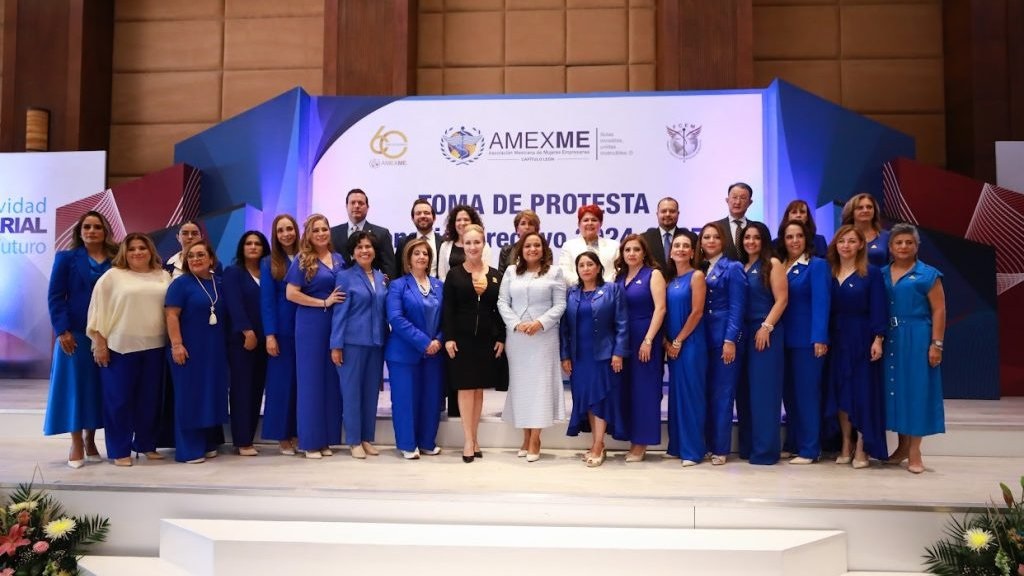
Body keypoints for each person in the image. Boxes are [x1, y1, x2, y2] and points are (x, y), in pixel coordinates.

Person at [87, 233, 171, 466]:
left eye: (142, 248)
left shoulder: (163, 276)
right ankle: (119, 450)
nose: (137, 252)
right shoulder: (112, 277)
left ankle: (146, 444)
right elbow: (97, 311)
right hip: (120, 348)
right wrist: (100, 344)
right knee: (119, 402)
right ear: (125, 252)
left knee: (150, 401)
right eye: (132, 248)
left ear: (150, 250)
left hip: (155, 347)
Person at [45, 211, 118, 468]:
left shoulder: (117, 258)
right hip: (75, 333)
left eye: (97, 227)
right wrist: (62, 330)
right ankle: (76, 442)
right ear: (80, 231)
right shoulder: (66, 259)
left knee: (96, 388)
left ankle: (90, 439)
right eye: (87, 227)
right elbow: (55, 296)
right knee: (75, 388)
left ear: (105, 231)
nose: (91, 231)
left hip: (107, 333)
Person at [497, 232, 567, 462]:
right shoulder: (511, 272)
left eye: (537, 245)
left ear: (544, 249)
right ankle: (525, 436)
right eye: (528, 245)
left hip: (543, 337)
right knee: (522, 387)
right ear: (521, 249)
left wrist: (540, 323)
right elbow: (502, 302)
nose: (532, 249)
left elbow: (560, 305)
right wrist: (516, 324)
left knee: (540, 387)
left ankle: (536, 438)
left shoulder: (555, 272)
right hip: (518, 338)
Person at [882, 223, 945, 474]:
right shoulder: (881, 273)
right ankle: (901, 446)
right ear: (890, 247)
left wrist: (936, 344)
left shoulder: (928, 274)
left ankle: (915, 451)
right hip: (890, 337)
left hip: (918, 336)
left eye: (909, 242)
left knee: (917, 390)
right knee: (897, 390)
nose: (903, 246)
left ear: (917, 246)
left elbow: (939, 310)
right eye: (898, 242)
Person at [825, 225, 888, 469]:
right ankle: (845, 443)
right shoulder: (829, 272)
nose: (846, 245)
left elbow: (879, 307)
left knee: (862, 391)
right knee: (840, 391)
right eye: (842, 241)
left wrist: (878, 339)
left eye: (852, 241)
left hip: (862, 338)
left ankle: (863, 445)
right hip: (835, 338)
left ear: (861, 245)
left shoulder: (871, 273)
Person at [442, 224, 505, 463]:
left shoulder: (496, 275)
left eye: (477, 242)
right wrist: (449, 337)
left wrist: (501, 337)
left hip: (486, 340)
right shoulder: (454, 274)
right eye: (468, 243)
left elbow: (500, 310)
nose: (472, 247)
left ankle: (475, 437)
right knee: (466, 388)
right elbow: (448, 309)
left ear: (484, 244)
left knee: (478, 390)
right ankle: (468, 441)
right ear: (463, 245)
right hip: (461, 340)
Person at [560, 251, 628, 467]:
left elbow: (622, 323)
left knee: (600, 399)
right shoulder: (572, 293)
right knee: (588, 399)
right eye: (581, 265)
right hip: (579, 357)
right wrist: (565, 355)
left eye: (590, 264)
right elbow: (564, 329)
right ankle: (596, 443)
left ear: (598, 267)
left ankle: (598, 445)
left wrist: (618, 352)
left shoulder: (612, 290)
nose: (586, 268)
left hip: (604, 355)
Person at [164, 239, 229, 463]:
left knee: (209, 396)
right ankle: (188, 449)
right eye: (190, 256)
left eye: (200, 255)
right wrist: (177, 345)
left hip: (213, 351)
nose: (195, 259)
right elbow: (171, 315)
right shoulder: (180, 284)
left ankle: (208, 442)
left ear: (211, 259)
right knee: (189, 398)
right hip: (188, 349)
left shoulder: (219, 283)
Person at [286, 214, 345, 459]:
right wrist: (323, 302)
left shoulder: (339, 259)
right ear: (308, 235)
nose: (321, 233)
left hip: (335, 325)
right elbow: (291, 293)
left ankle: (326, 439)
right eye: (316, 230)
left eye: (324, 229)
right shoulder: (302, 259)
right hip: (310, 325)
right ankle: (310, 442)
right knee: (311, 383)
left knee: (331, 383)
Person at [385, 238, 446, 459]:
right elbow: (395, 318)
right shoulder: (398, 285)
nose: (422, 257)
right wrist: (424, 342)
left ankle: (427, 442)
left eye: (425, 253)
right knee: (405, 400)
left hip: (434, 354)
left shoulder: (439, 285)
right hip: (403, 354)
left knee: (431, 399)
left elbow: (447, 318)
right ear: (408, 259)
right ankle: (408, 445)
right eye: (417, 253)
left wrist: (438, 340)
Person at [331, 230, 389, 459]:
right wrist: (336, 345)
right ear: (353, 253)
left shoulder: (381, 277)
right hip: (351, 343)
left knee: (370, 393)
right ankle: (354, 440)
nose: (365, 250)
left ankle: (366, 438)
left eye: (368, 247)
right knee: (351, 393)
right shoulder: (345, 277)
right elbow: (339, 313)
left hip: (376, 343)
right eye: (360, 247)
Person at [780, 220, 831, 465]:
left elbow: (822, 302)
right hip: (783, 340)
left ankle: (810, 448)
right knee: (789, 394)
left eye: (799, 236)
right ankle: (793, 443)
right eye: (789, 237)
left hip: (807, 341)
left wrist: (819, 337)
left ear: (806, 238)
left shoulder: (816, 265)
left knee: (807, 394)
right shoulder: (781, 265)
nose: (794, 241)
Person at [737, 222, 788, 465]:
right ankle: (748, 447)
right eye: (747, 237)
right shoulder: (741, 266)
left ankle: (765, 451)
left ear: (764, 240)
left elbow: (782, 299)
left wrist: (766, 327)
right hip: (744, 333)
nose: (751, 241)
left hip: (766, 332)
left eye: (756, 237)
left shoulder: (773, 264)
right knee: (745, 393)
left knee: (764, 393)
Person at [437, 205, 497, 415]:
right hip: (458, 315)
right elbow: (442, 277)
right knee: (461, 383)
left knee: (477, 385)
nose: (472, 246)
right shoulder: (447, 250)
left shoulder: (491, 266)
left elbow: (486, 282)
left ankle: (471, 430)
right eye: (458, 220)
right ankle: (462, 427)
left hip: (481, 325)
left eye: (476, 242)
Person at [697, 222, 747, 465]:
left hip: (724, 339)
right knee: (706, 393)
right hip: (702, 339)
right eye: (706, 237)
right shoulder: (700, 268)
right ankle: (707, 444)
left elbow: (738, 307)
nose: (710, 241)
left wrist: (730, 340)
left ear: (723, 241)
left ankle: (720, 448)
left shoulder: (733, 267)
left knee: (723, 395)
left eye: (715, 237)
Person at [613, 234, 666, 462]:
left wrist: (649, 339)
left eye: (636, 249)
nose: (632, 253)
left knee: (645, 390)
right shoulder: (619, 277)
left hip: (645, 338)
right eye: (627, 250)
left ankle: (641, 442)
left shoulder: (653, 274)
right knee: (627, 390)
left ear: (644, 252)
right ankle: (630, 436)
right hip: (624, 340)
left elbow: (660, 308)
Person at [223, 231, 270, 457]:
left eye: (257, 244)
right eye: (248, 243)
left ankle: (248, 438)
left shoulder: (268, 272)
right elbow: (234, 304)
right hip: (242, 341)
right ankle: (241, 441)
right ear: (242, 248)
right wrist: (247, 331)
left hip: (265, 340)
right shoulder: (233, 272)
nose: (253, 247)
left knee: (256, 389)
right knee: (242, 389)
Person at [663, 230, 707, 467]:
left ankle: (693, 450)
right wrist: (667, 342)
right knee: (677, 396)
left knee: (691, 396)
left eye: (685, 246)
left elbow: (697, 312)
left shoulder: (696, 276)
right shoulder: (670, 280)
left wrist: (678, 341)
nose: (680, 249)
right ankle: (678, 445)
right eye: (676, 245)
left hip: (690, 345)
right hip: (673, 347)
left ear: (692, 252)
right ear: (671, 252)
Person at [260, 214, 300, 455]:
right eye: (281, 230)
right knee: (281, 385)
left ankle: (297, 432)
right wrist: (270, 335)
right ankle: (282, 436)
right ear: (275, 235)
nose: (286, 234)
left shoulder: (307, 257)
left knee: (300, 385)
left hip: (306, 328)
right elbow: (267, 302)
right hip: (282, 331)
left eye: (289, 229)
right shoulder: (269, 262)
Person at [329, 188, 397, 279]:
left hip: (372, 286)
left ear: (367, 207)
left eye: (361, 203)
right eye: (353, 203)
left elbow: (389, 269)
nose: (357, 206)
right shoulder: (333, 233)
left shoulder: (381, 234)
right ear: (346, 206)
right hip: (339, 285)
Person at [557, 204, 618, 285]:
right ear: (579, 224)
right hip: (578, 289)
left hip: (607, 290)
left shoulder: (614, 246)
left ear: (601, 223)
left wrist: (604, 286)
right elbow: (564, 271)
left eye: (594, 220)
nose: (590, 223)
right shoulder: (568, 246)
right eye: (586, 220)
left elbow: (617, 270)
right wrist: (585, 286)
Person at [437, 204, 493, 280]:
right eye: (458, 220)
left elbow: (488, 272)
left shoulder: (484, 246)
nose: (462, 223)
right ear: (454, 223)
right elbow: (442, 276)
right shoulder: (445, 246)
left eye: (466, 219)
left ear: (472, 222)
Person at [715, 182, 765, 261]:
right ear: (727, 200)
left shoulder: (757, 228)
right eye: (734, 197)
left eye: (743, 198)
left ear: (750, 202)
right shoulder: (716, 227)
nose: (738, 202)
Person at [396, 198, 443, 277]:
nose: (422, 216)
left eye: (426, 213)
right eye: (418, 213)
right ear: (413, 219)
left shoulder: (444, 242)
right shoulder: (403, 242)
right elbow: (397, 271)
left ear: (434, 218)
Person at [841, 193, 889, 267]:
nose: (865, 210)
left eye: (869, 207)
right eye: (860, 208)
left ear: (874, 211)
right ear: (851, 212)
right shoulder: (841, 237)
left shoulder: (887, 236)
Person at [641, 197, 681, 270]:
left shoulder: (690, 237)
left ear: (678, 214)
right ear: (657, 214)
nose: (668, 214)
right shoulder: (644, 239)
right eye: (663, 211)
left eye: (672, 211)